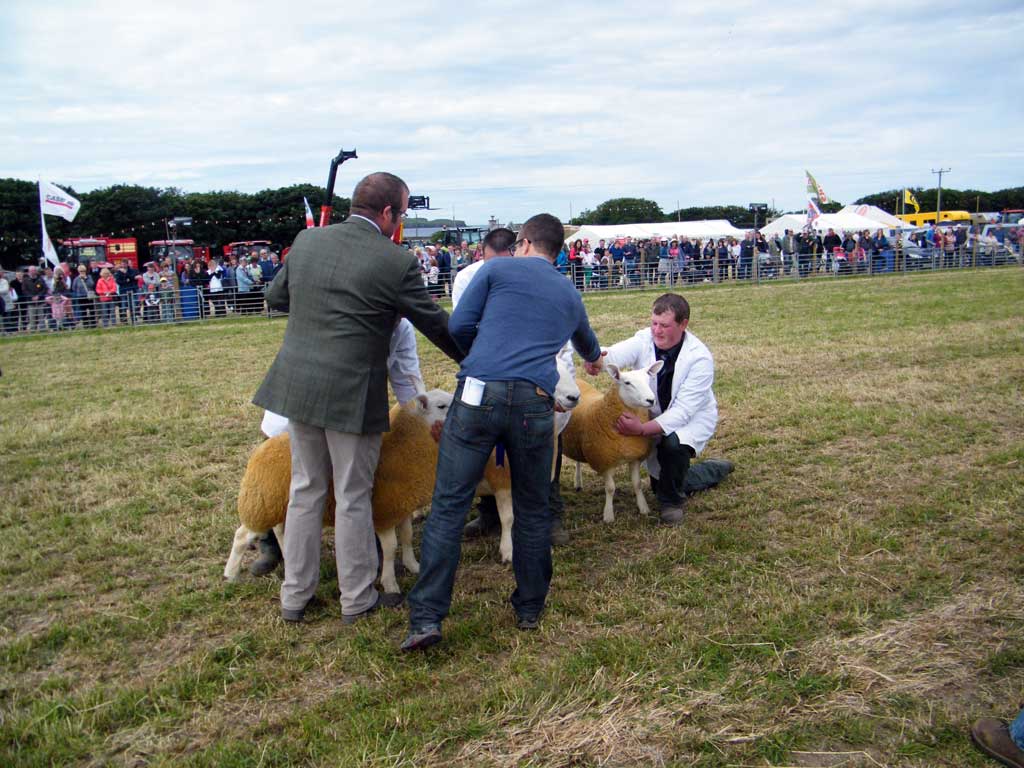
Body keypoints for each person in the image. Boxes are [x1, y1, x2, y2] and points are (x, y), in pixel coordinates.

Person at [252, 171, 463, 626]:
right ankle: (357, 598)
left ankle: (295, 596)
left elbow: (275, 296)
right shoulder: (395, 261)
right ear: (387, 212)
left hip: (297, 388)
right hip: (351, 397)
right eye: (402, 214)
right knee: (352, 496)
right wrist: (477, 360)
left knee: (305, 490)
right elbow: (436, 325)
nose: (400, 223)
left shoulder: (307, 243)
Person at [402, 213, 603, 652]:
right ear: (558, 249)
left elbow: (456, 328)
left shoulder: (494, 268)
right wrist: (593, 361)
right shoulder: (569, 290)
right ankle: (530, 607)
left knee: (450, 505)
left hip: (477, 395)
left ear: (525, 242)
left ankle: (426, 619)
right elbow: (587, 345)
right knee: (532, 507)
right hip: (535, 401)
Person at [585, 293, 723, 525]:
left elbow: (683, 411)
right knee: (663, 479)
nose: (657, 330)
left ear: (683, 324)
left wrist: (641, 429)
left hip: (689, 421)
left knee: (673, 445)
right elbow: (615, 354)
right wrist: (595, 358)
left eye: (665, 325)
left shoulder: (699, 359)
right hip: (654, 415)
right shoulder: (644, 339)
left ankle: (671, 502)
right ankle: (707, 471)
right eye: (654, 323)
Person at [71, 264, 96, 329]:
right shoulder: (76, 279)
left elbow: (92, 284)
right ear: (78, 271)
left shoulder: (89, 277)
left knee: (91, 310)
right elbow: (74, 288)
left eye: (83, 271)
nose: (82, 272)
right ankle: (86, 324)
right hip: (81, 297)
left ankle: (93, 324)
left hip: (89, 296)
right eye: (81, 271)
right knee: (83, 311)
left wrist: (86, 279)